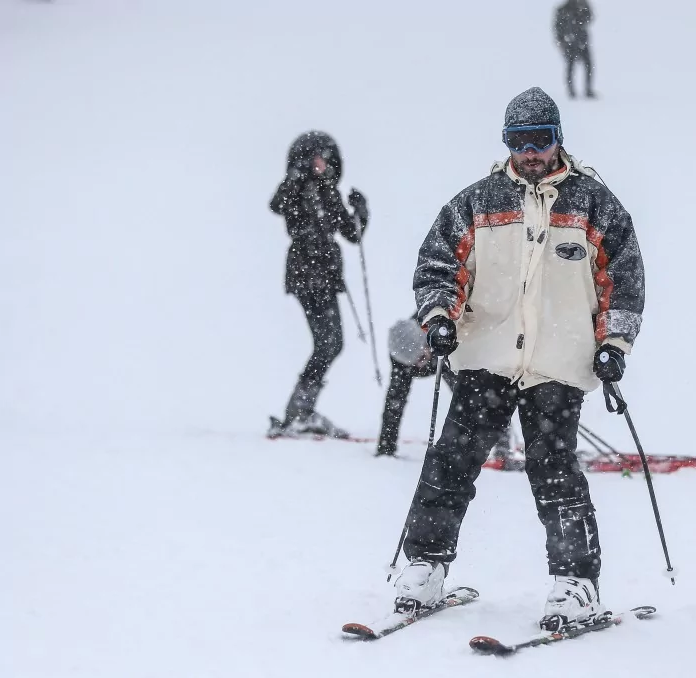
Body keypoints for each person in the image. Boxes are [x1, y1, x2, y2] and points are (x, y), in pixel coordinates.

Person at [389, 87, 644, 631]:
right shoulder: (476, 202)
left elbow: (622, 279)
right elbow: (438, 266)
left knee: (556, 473)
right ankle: (424, 568)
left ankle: (575, 584)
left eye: (541, 140)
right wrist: (439, 318)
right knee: (450, 464)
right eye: (519, 141)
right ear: (506, 143)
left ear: (558, 140)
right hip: (485, 357)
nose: (531, 152)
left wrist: (613, 345)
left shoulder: (593, 203)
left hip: (559, 362)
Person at [267, 131, 369, 438]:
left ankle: (300, 410)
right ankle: (299, 412)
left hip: (323, 274)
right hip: (306, 272)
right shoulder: (297, 187)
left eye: (325, 159)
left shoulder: (329, 192)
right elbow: (277, 204)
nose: (323, 164)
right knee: (329, 343)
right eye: (318, 158)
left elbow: (351, 234)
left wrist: (361, 212)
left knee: (331, 343)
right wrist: (296, 177)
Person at [376, 317, 513, 459]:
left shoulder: (442, 333)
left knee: (473, 398)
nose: (419, 366)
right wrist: (385, 449)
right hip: (422, 357)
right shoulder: (401, 357)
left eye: (421, 358)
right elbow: (393, 404)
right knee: (395, 401)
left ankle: (501, 445)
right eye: (413, 363)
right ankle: (387, 445)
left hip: (445, 356)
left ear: (425, 341)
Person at [554, 0, 596, 99]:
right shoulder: (563, 9)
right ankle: (572, 91)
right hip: (569, 42)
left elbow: (589, 18)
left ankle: (587, 89)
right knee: (571, 66)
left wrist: (582, 10)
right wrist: (560, 41)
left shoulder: (583, 6)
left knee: (587, 65)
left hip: (581, 41)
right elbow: (558, 26)